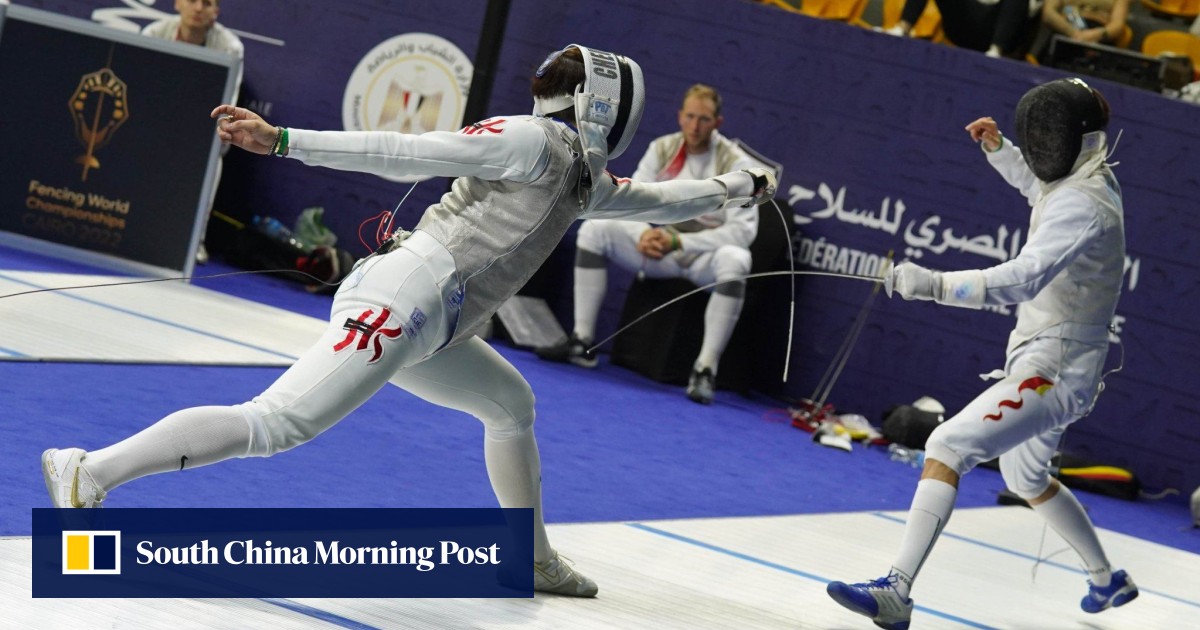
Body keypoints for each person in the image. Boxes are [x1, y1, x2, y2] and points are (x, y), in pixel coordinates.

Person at [40, 44, 777, 597]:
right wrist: (287, 140)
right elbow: (406, 150)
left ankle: (530, 554)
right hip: (408, 293)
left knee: (512, 405)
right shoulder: (528, 141)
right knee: (275, 425)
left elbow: (659, 202)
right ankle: (90, 470)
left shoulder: (582, 175)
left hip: (438, 319)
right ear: (605, 105)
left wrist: (741, 185)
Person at [826, 78, 1137, 629]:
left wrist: (932, 284)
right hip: (1054, 358)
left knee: (947, 443)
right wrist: (1003, 153)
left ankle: (897, 589)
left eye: (1047, 137)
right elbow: (1043, 189)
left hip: (1055, 371)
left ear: (1074, 140)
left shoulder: (1085, 204)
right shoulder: (1084, 179)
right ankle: (1106, 579)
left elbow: (1020, 279)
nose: (1041, 148)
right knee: (1026, 479)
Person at [536, 84, 763, 405]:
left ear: (718, 123)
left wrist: (678, 240)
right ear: (680, 117)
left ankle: (705, 369)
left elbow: (742, 233)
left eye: (704, 119)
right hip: (657, 253)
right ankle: (581, 340)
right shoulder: (662, 148)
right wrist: (643, 233)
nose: (695, 126)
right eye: (690, 117)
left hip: (700, 259)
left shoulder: (736, 163)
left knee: (737, 259)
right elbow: (632, 199)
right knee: (594, 230)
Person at [142, 0, 245, 265]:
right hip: (155, 127)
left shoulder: (230, 46)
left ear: (216, 12)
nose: (198, 8)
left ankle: (193, 242)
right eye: (191, 1)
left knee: (216, 153)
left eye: (207, 3)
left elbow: (227, 105)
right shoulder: (154, 34)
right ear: (178, 4)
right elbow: (142, 89)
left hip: (201, 132)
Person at [885, 0, 1041, 58]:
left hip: (998, 32)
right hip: (963, 24)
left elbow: (1031, 12)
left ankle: (996, 51)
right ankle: (902, 28)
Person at [1041, 0, 1132, 48]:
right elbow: (1048, 14)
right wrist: (1074, 34)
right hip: (1064, 33)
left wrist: (1092, 35)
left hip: (1099, 39)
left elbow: (1117, 25)